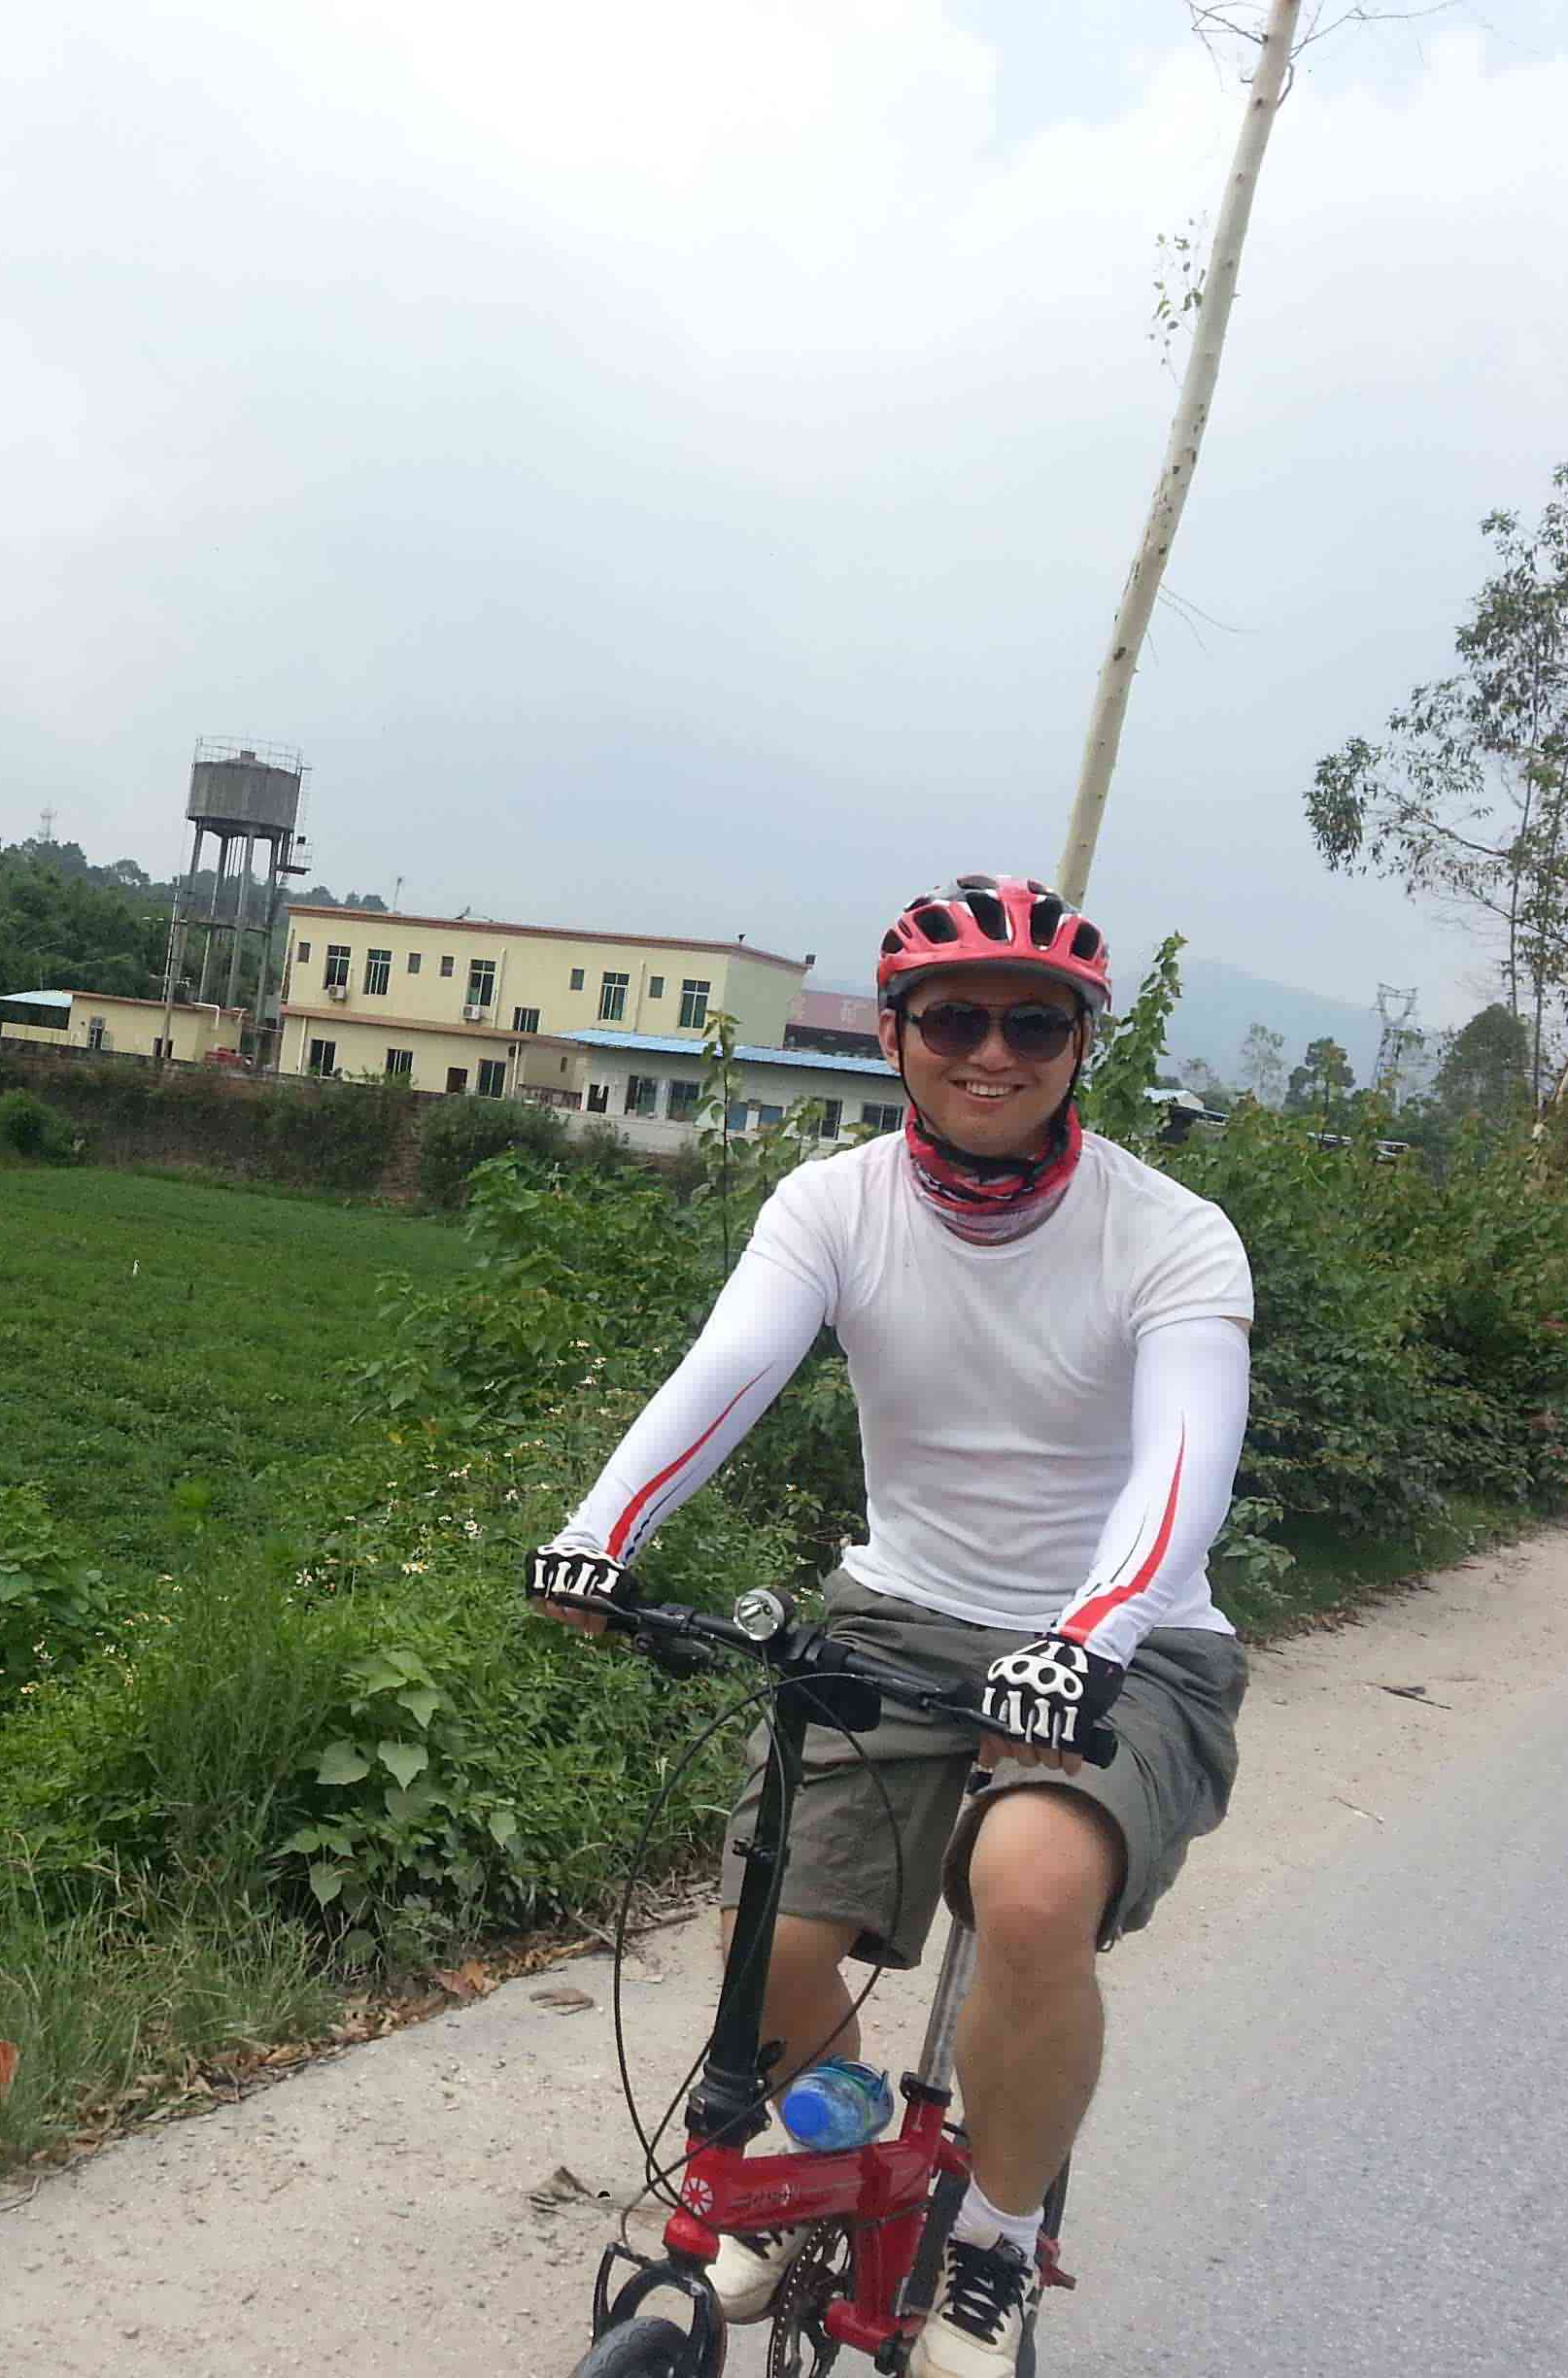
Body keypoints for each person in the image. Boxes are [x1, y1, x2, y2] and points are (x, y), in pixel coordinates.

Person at [527, 874, 1252, 2378]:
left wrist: (1089, 1637)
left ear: (1081, 1047)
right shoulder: (832, 1205)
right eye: (956, 1019)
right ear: (897, 1036)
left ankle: (992, 2237)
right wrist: (601, 1535)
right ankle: (829, 2146)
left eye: (1034, 1025)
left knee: (1031, 1893)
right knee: (773, 1947)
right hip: (903, 1613)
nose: (992, 1052)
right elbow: (730, 1367)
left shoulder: (1174, 1236)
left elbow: (1184, 1466)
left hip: (1127, 1643)